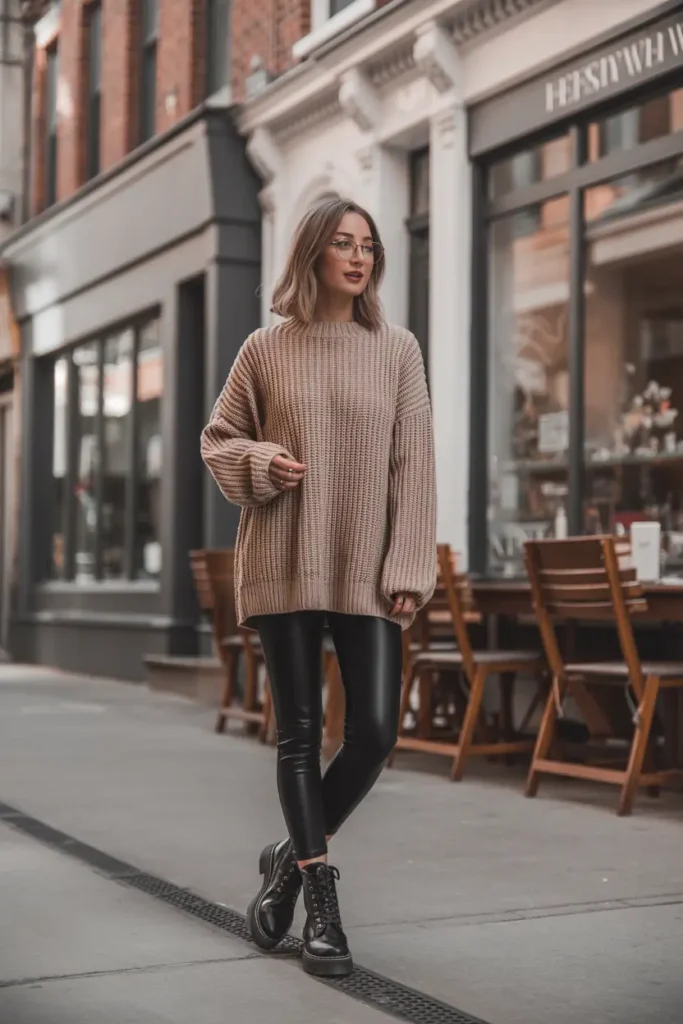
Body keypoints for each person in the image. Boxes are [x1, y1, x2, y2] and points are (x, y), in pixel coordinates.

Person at [201, 197, 437, 977]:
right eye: (342, 243)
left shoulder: (396, 350)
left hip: (365, 564)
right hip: (283, 555)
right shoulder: (265, 349)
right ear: (312, 254)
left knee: (374, 732)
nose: (359, 256)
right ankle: (320, 900)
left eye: (367, 245)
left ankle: (287, 856)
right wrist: (264, 464)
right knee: (299, 734)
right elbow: (218, 438)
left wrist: (408, 567)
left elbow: (414, 466)